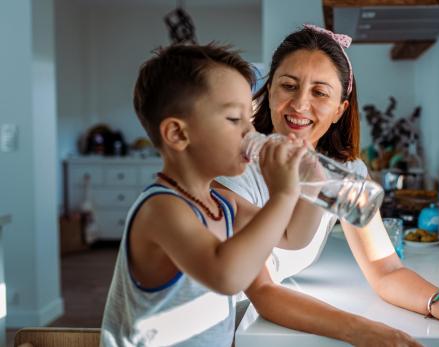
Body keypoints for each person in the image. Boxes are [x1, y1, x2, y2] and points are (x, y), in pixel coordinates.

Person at [215, 25, 439, 347]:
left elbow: (385, 270)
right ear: (269, 90)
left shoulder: (345, 173)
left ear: (340, 109)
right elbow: (264, 292)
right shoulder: (233, 170)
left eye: (319, 92)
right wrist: (364, 330)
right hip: (211, 326)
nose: (301, 104)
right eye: (288, 86)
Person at [100, 43, 323, 346]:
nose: (250, 132)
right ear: (178, 134)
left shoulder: (223, 203)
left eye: (249, 118)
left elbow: (292, 237)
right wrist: (283, 194)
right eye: (234, 119)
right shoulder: (161, 209)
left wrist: (313, 185)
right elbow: (226, 276)